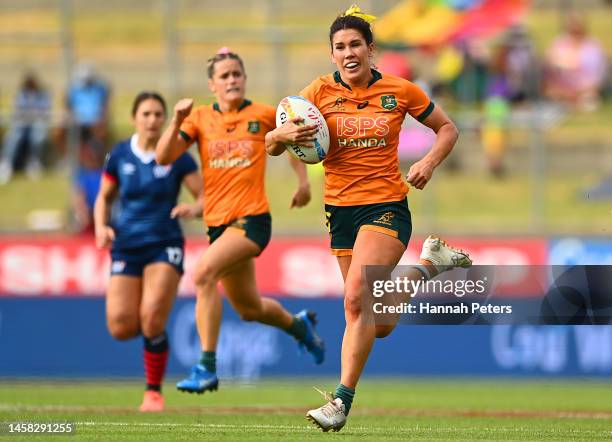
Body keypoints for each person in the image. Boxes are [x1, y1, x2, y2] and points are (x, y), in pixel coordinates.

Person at [266, 4, 471, 432]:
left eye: (355, 43)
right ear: (332, 54)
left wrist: (430, 163)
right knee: (376, 323)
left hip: (386, 208)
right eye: (339, 47)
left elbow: (447, 128)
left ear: (370, 48)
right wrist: (280, 136)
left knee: (355, 300)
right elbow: (274, 140)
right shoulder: (318, 93)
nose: (348, 52)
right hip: (339, 212)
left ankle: (340, 402)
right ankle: (429, 265)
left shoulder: (400, 91)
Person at [155, 48, 326, 395]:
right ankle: (299, 326)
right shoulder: (199, 118)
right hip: (218, 226)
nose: (232, 80)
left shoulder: (263, 114)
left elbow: (293, 139)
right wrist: (176, 120)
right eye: (225, 75)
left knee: (203, 274)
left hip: (252, 220)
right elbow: (163, 157)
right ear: (212, 84)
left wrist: (304, 183)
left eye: (237, 74)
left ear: (244, 79)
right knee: (249, 309)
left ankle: (206, 366)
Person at [94, 91, 202, 412]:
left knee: (153, 316)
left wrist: (193, 209)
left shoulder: (178, 156)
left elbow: (205, 196)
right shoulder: (119, 155)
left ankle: (153, 392)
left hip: (164, 243)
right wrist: (101, 226)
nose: (153, 120)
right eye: (147, 114)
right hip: (127, 244)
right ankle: (153, 337)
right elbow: (104, 197)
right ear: (134, 118)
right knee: (121, 326)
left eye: (158, 114)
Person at [544, 12, 607, 112]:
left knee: (589, 103)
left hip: (585, 91)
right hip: (561, 91)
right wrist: (563, 92)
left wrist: (580, 93)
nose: (575, 29)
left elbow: (599, 77)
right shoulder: (558, 45)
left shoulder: (593, 47)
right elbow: (549, 72)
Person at [0, 72, 50, 185]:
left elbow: (44, 112)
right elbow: (17, 112)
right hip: (22, 124)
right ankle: (6, 164)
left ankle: (34, 163)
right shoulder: (21, 94)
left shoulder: (42, 95)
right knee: (14, 136)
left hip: (36, 124)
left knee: (38, 136)